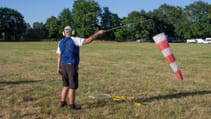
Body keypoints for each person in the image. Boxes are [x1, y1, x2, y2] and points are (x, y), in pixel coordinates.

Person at [56, 26, 105, 110]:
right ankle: (72, 105)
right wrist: (98, 33)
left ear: (64, 33)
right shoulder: (75, 39)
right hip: (71, 66)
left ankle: (62, 102)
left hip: (63, 65)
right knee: (72, 87)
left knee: (65, 85)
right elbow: (88, 40)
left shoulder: (60, 42)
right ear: (72, 32)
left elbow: (59, 56)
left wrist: (58, 67)